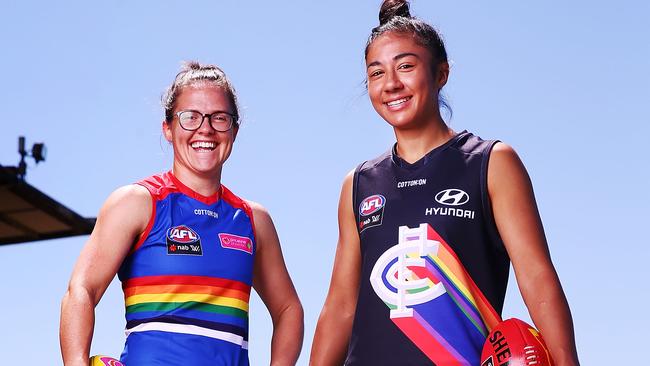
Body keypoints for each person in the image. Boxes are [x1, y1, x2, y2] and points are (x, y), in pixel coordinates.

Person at [310, 1, 579, 365]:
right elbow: (340, 306)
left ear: (441, 73)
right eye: (376, 73)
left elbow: (537, 278)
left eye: (406, 66)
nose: (391, 84)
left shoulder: (491, 163)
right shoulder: (358, 184)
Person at [60, 61, 304, 366]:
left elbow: (289, 309)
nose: (205, 128)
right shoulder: (137, 202)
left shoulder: (253, 220)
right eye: (190, 117)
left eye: (219, 118)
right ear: (168, 128)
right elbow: (81, 290)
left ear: (234, 130)